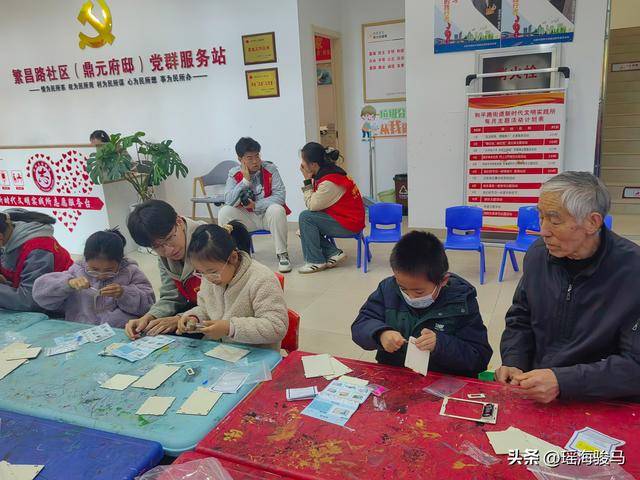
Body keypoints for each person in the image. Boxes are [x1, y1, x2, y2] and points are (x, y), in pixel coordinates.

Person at [497, 171, 640, 403]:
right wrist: (515, 361)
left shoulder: (633, 271)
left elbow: (635, 366)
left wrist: (563, 382)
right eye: (541, 217)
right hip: (539, 391)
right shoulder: (538, 255)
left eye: (555, 221)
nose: (543, 230)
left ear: (593, 222)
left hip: (603, 400)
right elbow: (521, 317)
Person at [352, 231, 492, 377]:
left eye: (418, 292)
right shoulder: (388, 289)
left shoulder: (461, 301)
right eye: (403, 288)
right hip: (395, 375)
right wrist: (380, 333)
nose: (410, 296)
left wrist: (441, 345)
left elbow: (479, 358)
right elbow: (360, 325)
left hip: (441, 380)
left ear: (443, 281)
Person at [177, 222, 288, 350]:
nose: (208, 278)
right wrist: (194, 318)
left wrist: (230, 328)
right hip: (222, 352)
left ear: (233, 258)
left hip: (257, 355)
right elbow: (206, 309)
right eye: (201, 272)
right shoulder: (210, 278)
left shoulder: (261, 279)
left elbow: (276, 327)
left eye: (212, 271)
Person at [33, 228, 155, 327]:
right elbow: (41, 295)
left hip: (119, 332)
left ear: (120, 261)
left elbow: (149, 306)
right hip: (80, 330)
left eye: (109, 270)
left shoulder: (130, 272)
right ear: (85, 260)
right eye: (94, 270)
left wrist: (124, 293)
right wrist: (68, 283)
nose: (101, 276)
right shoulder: (77, 271)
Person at [124, 200, 206, 339]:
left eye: (169, 238)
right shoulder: (165, 255)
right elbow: (171, 295)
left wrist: (180, 318)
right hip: (196, 310)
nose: (168, 250)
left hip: (223, 315)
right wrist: (149, 317)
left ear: (179, 222)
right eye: (156, 246)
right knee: (153, 332)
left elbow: (224, 301)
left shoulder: (210, 241)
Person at [218, 137, 291, 273]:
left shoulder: (270, 169)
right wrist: (245, 181)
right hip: (247, 219)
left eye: (257, 156)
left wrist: (256, 205)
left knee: (277, 209)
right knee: (224, 211)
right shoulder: (234, 174)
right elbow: (228, 200)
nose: (255, 161)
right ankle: (233, 256)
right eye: (249, 158)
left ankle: (282, 255)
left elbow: (280, 196)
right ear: (240, 159)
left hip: (267, 215)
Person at [298, 142, 365, 274]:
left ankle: (315, 261)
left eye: (303, 161)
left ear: (313, 165)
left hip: (349, 224)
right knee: (303, 229)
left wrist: (307, 181)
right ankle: (333, 252)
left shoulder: (329, 182)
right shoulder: (327, 173)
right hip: (346, 218)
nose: (301, 165)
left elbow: (312, 205)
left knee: (305, 217)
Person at [0, 209, 73, 312]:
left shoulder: (38, 249)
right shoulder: (8, 229)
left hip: (58, 307)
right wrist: (6, 282)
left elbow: (30, 301)